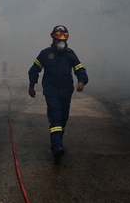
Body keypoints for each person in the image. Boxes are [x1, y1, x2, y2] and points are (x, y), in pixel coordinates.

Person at [28, 25, 89, 164]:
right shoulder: (45, 54)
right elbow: (33, 70)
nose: (60, 43)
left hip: (66, 91)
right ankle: (56, 147)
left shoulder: (70, 54)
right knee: (55, 117)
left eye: (62, 40)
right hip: (51, 92)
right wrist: (32, 86)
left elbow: (80, 69)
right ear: (53, 39)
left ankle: (58, 142)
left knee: (63, 119)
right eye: (57, 40)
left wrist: (82, 81)